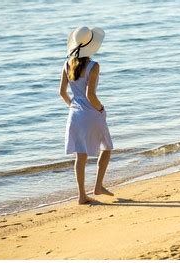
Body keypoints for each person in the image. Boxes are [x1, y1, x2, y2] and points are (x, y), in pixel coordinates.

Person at [59, 26, 114, 204]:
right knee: (107, 147)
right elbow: (91, 95)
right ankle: (98, 186)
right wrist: (100, 108)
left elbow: (62, 92)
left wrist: (74, 106)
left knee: (80, 156)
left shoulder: (67, 64)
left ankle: (82, 196)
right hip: (91, 113)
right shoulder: (93, 66)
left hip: (74, 114)